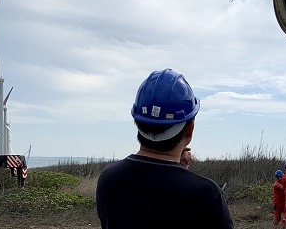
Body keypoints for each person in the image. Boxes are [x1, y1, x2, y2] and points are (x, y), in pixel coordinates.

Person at [96, 68, 234, 228]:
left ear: (138, 121)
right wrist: (181, 176)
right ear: (190, 128)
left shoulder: (109, 179)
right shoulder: (206, 194)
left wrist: (179, 172)